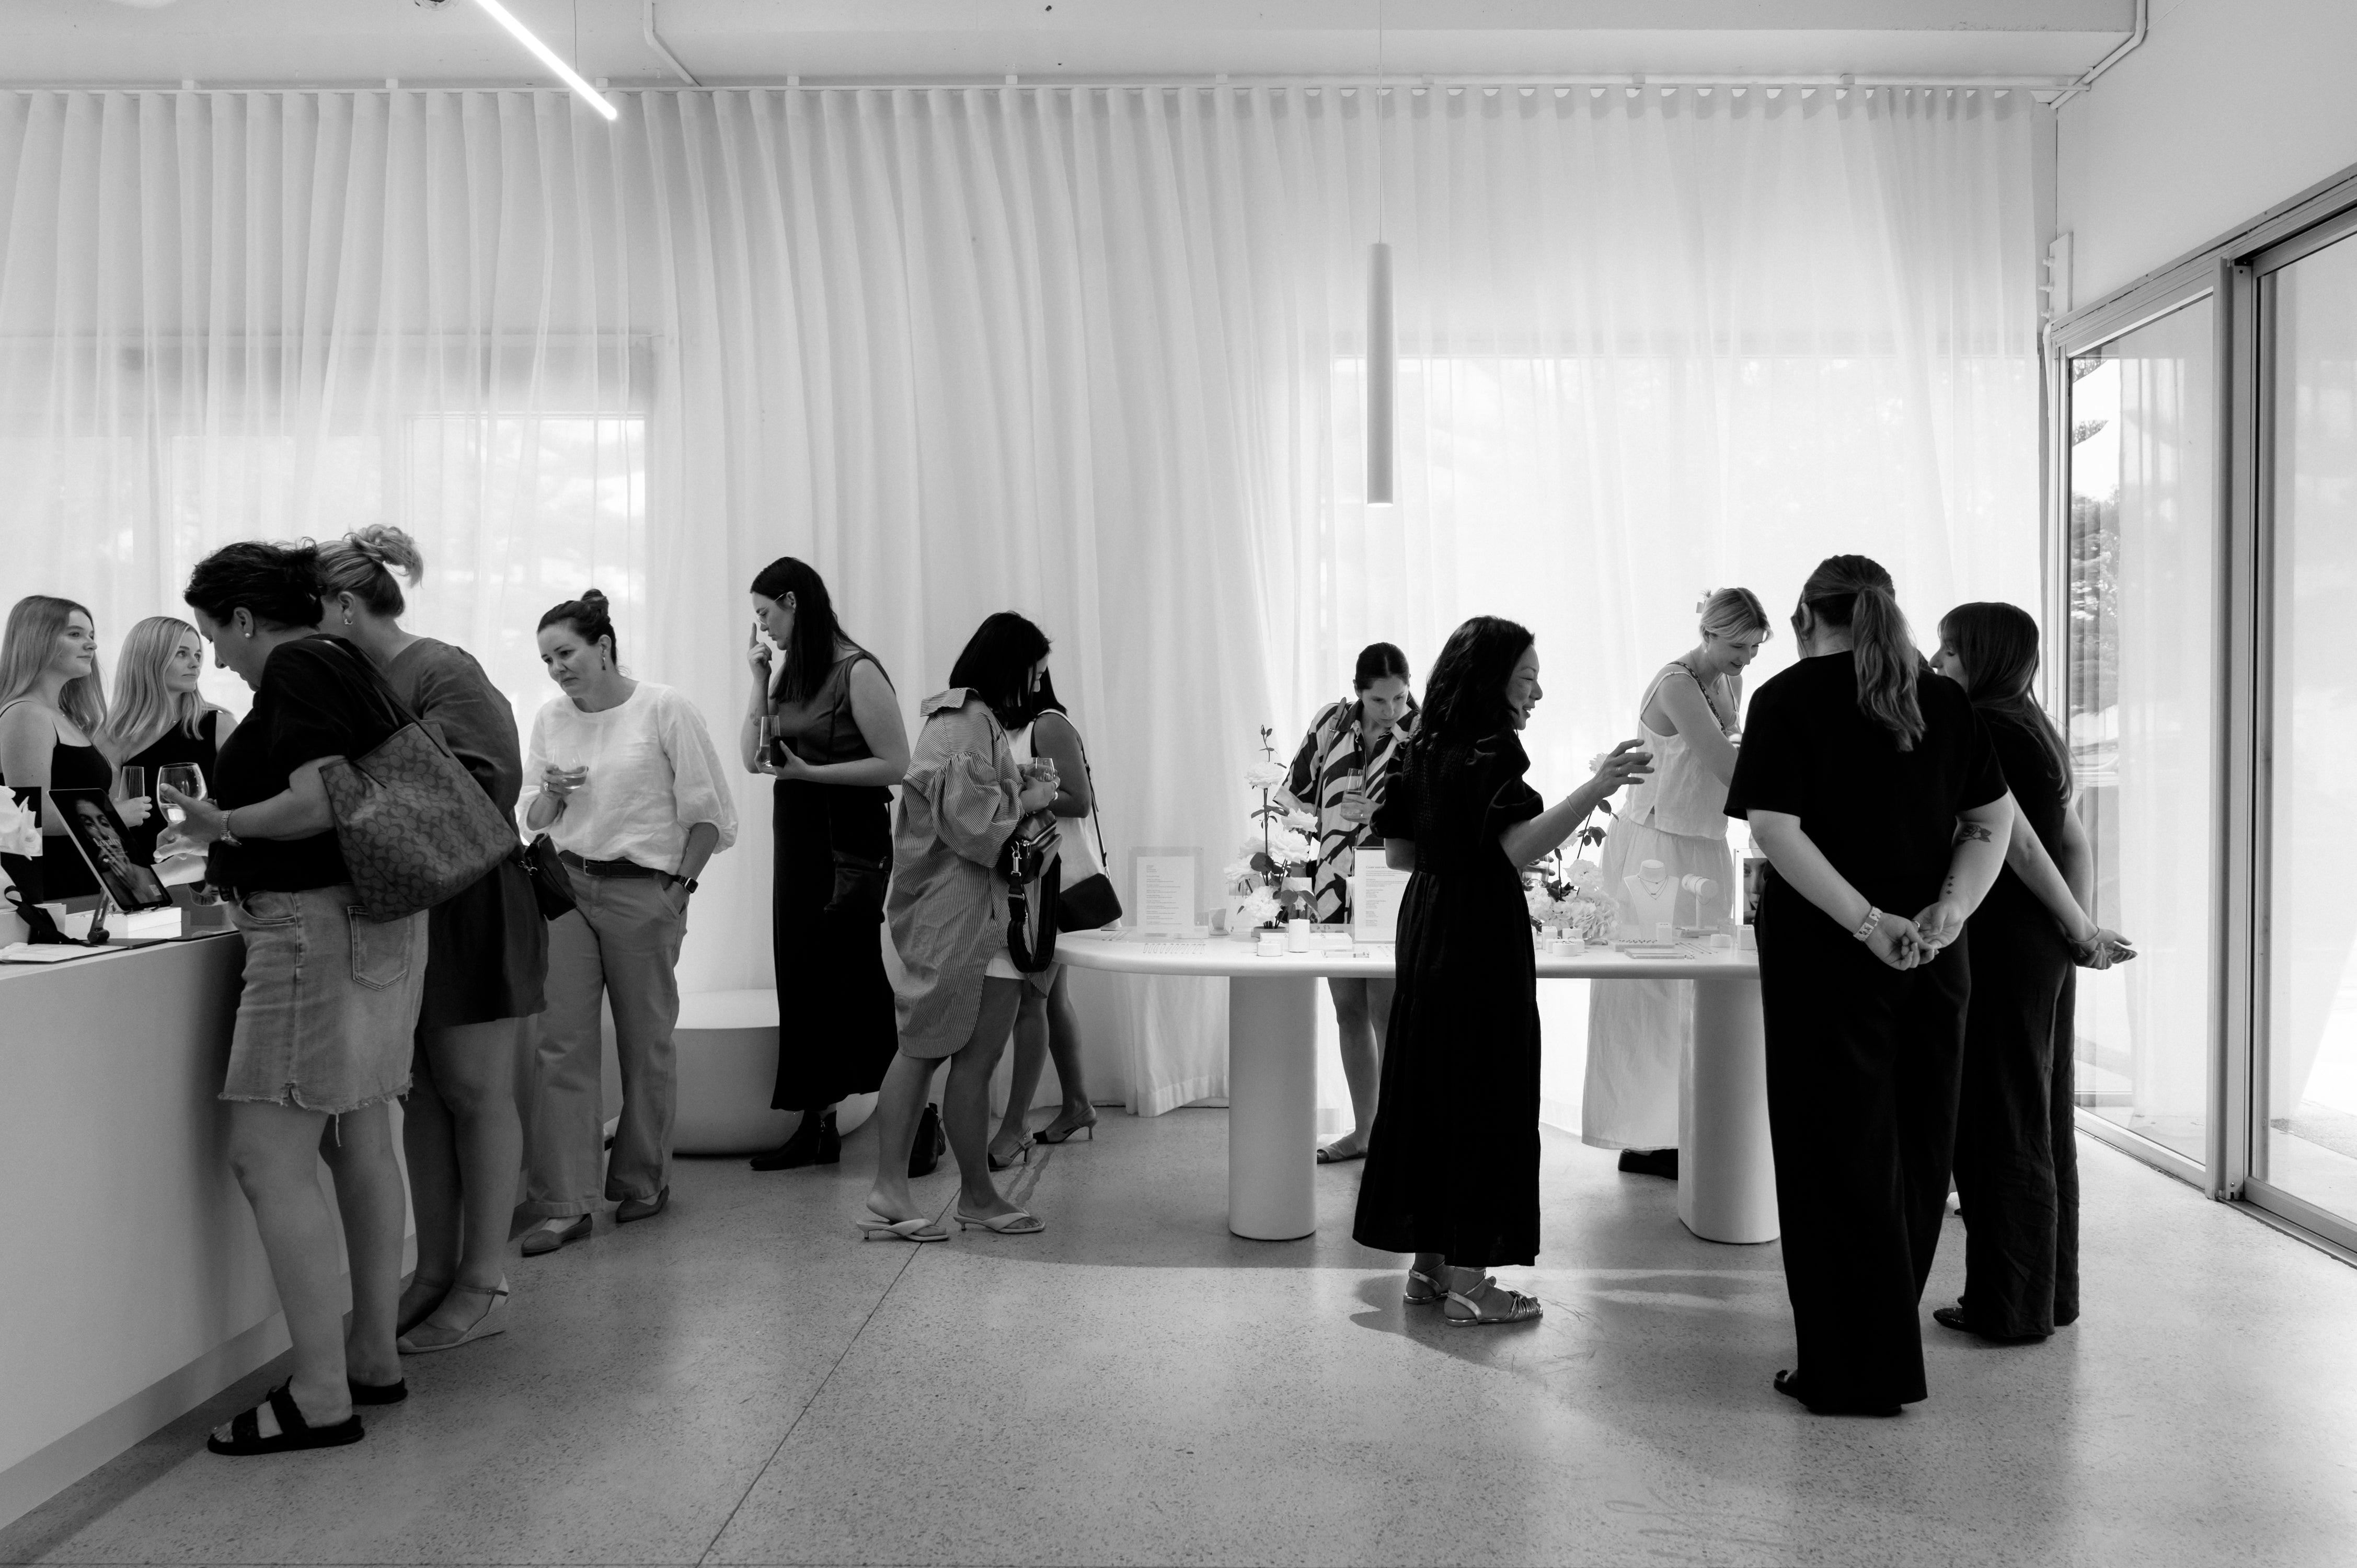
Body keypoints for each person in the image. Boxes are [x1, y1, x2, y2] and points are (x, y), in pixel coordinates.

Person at [1724, 555, 2014, 1417]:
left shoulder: (1784, 699)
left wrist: (1864, 923)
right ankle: (1880, 1358)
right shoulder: (1944, 699)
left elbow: (1775, 830)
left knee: (1830, 1158)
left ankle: (1847, 1368)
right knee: (1917, 1153)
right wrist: (1949, 912)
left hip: (1830, 962)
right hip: (1931, 960)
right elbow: (1989, 820)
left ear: (1808, 617)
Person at [158, 541, 428, 1454]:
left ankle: (319, 1396)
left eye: (214, 636)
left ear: (243, 619)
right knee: (360, 1134)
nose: (219, 658)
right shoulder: (347, 662)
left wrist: (222, 824)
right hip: (372, 922)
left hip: (313, 927)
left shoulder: (301, 667)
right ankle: (371, 1358)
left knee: (267, 1160)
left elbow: (317, 802)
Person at [1352, 617, 1652, 1325]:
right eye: (1526, 679)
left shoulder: (1421, 743)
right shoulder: (1491, 749)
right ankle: (1472, 1284)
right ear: (1492, 682)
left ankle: (1428, 1270)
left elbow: (1398, 854)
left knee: (1431, 1086)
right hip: (1479, 934)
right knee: (1486, 1091)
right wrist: (1597, 785)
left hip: (1426, 927)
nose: (1538, 692)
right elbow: (1514, 850)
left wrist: (1454, 853)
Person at [317, 526, 547, 1352]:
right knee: (419, 1093)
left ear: (345, 605)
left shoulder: (442, 669)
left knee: (475, 1090)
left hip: (470, 904)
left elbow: (487, 789)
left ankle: (485, 1278)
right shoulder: (353, 678)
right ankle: (436, 1271)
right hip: (405, 909)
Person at [1931, 602, 2134, 1344]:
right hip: (2040, 948)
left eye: (1950, 650)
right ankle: (2050, 1295)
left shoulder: (1981, 727)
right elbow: (2072, 842)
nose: (1935, 660)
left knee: (1997, 1121)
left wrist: (2078, 929)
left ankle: (2007, 1307)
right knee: (2040, 1118)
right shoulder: (2036, 730)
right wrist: (2073, 933)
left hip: (2002, 941)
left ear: (1981, 658)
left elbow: (2015, 845)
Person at [520, 591, 736, 1255]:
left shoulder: (664, 708)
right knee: (561, 1045)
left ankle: (643, 1180)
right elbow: (532, 818)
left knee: (646, 1043)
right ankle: (566, 1203)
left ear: (604, 647)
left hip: (645, 888)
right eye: (548, 659)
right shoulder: (552, 718)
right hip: (565, 884)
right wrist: (553, 793)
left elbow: (712, 813)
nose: (557, 669)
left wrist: (680, 889)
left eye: (567, 653)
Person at [863, 614, 1063, 1242]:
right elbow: (973, 826)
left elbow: (970, 810)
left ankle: (949, 1192)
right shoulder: (962, 723)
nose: (1036, 688)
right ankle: (918, 1192)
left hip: (969, 915)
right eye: (1033, 674)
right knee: (933, 1050)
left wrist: (1019, 789)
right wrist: (1025, 802)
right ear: (1011, 668)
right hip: (959, 916)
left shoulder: (968, 722)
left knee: (948, 1053)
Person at [1583, 589, 1770, 1179]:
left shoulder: (1728, 682)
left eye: (1755, 648)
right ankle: (1647, 1136)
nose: (1747, 659)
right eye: (1739, 646)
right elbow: (1727, 768)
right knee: (1651, 992)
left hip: (1705, 843)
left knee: (1698, 987)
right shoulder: (1676, 683)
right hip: (1656, 850)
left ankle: (1685, 1125)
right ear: (1710, 634)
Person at [740, 558, 908, 1171]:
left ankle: (918, 1124)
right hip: (800, 837)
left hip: (850, 844)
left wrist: (813, 774)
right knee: (803, 973)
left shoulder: (856, 670)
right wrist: (758, 680)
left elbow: (897, 764)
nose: (763, 629)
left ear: (793, 601)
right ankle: (817, 1126)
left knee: (856, 978)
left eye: (765, 614)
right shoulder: (791, 672)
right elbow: (752, 759)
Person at [1280, 643, 1418, 1165]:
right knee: (1347, 1011)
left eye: (1400, 698)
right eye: (1381, 700)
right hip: (1332, 882)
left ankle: (1395, 1135)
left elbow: (1431, 811)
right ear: (1359, 691)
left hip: (1390, 881)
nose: (1392, 710)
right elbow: (1294, 798)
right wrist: (1306, 839)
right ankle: (1365, 1131)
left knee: (1388, 1011)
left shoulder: (1420, 732)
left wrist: (1380, 810)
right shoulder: (1331, 724)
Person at [989, 661, 1102, 1169]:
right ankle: (1077, 1104)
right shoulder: (1005, 727)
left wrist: (1028, 793)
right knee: (1049, 997)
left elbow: (1081, 801)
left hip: (1054, 882)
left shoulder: (1048, 724)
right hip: (1030, 881)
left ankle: (1015, 1127)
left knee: (1031, 1001)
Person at [0, 595, 140, 902]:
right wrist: (114, 815)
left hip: (85, 885)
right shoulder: (26, 713)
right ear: (37, 640)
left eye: (92, 636)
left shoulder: (64, 717)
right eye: (75, 634)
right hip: (51, 892)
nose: (91, 645)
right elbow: (28, 817)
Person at [99, 615, 235, 866]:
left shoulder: (219, 725)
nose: (195, 665)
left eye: (197, 655)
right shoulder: (111, 735)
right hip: (145, 875)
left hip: (210, 872)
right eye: (182, 654)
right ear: (149, 659)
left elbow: (241, 811)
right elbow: (112, 830)